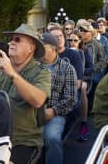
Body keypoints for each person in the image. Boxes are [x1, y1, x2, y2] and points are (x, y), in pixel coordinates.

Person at [0, 23, 51, 164]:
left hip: (23, 141)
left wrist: (12, 73)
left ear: (31, 48)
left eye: (17, 39)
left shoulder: (41, 73)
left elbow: (38, 100)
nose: (12, 42)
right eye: (11, 38)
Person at [40, 33, 77, 164]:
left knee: (52, 138)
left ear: (53, 49)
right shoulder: (33, 66)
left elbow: (71, 98)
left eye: (43, 47)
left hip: (54, 112)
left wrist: (53, 111)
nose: (39, 50)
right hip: (31, 111)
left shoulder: (67, 68)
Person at [69, 30, 94, 141]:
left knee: (82, 87)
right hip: (66, 78)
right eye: (70, 40)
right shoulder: (65, 51)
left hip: (82, 78)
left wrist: (80, 71)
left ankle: (83, 122)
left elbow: (91, 68)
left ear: (80, 41)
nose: (72, 42)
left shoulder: (83, 52)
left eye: (75, 40)